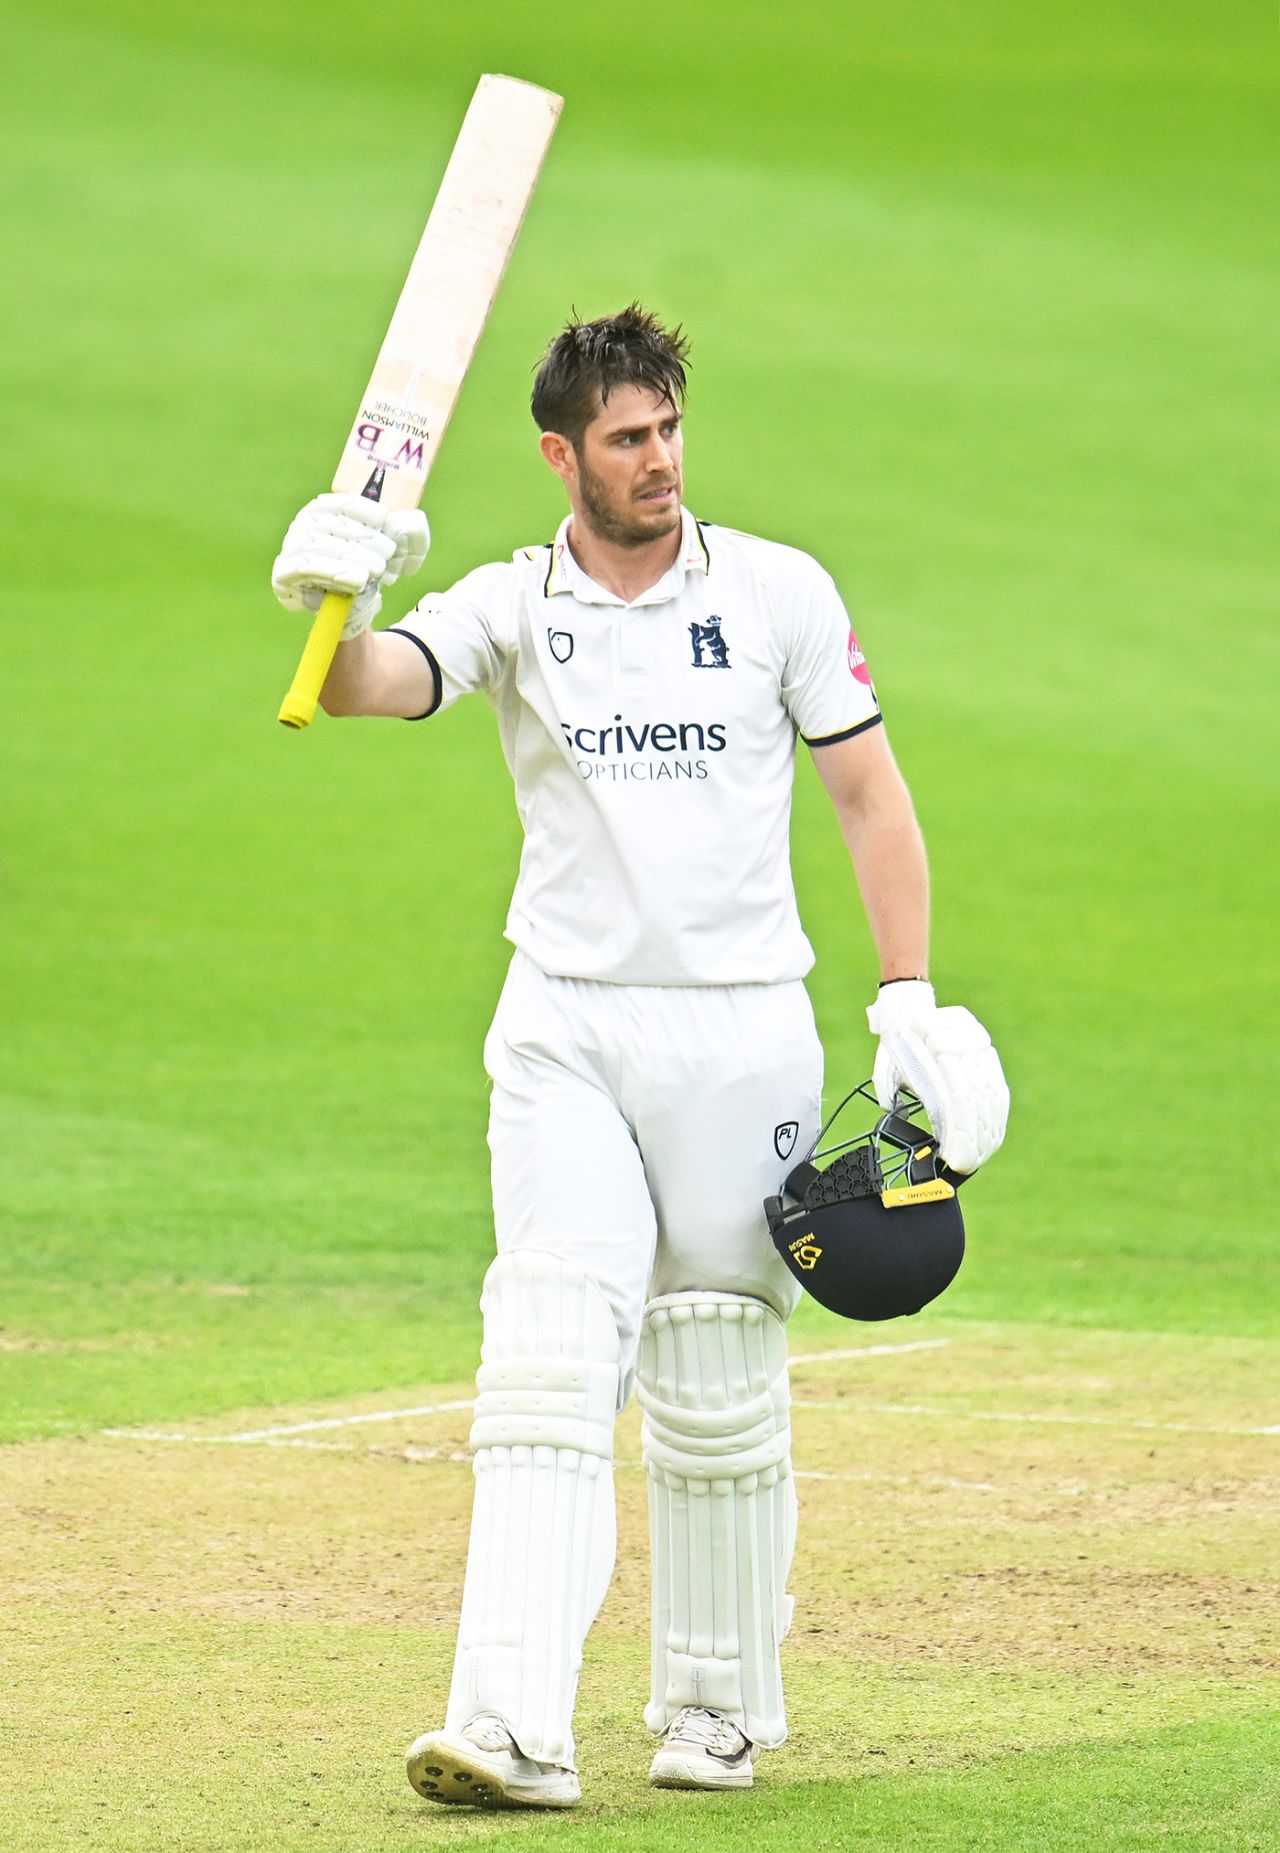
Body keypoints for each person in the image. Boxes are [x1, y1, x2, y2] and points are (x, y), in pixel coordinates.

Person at [271, 304, 1008, 1810]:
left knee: (718, 1366)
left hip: (742, 1024)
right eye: (627, 437)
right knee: (548, 1345)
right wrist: (333, 592)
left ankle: (716, 1709)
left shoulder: (781, 592)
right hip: (567, 1024)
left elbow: (868, 794)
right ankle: (511, 1722)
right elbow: (370, 688)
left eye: (669, 427)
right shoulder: (511, 603)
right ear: (563, 455)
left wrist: (912, 997)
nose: (660, 459)